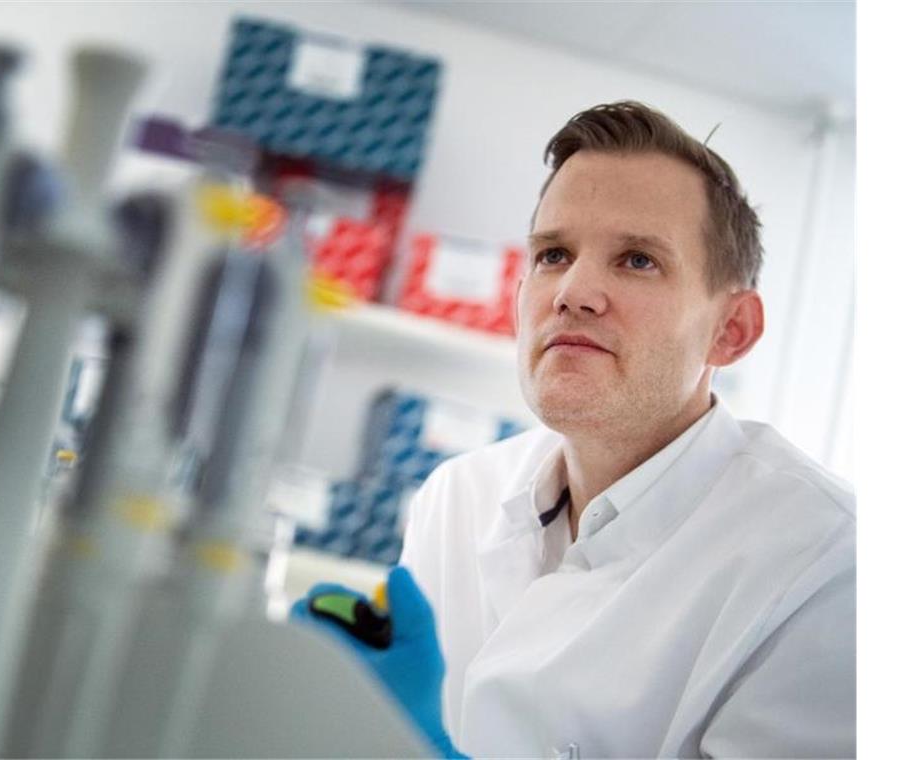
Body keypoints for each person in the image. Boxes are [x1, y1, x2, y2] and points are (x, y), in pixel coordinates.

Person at [292, 101, 855, 759]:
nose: (575, 292)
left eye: (638, 260)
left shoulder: (830, 567)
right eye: (554, 253)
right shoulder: (457, 496)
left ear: (730, 331)